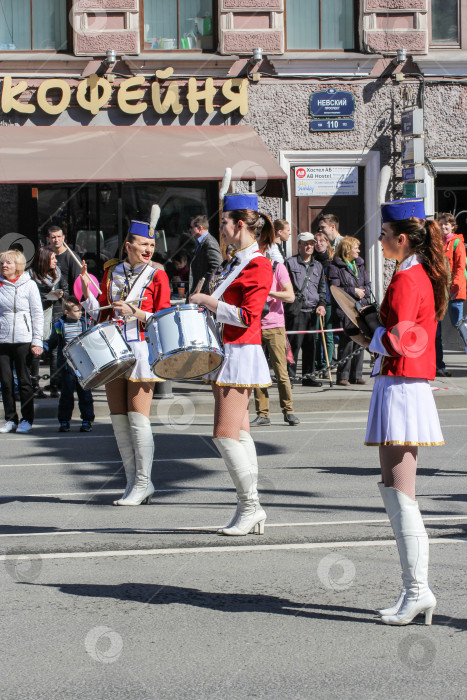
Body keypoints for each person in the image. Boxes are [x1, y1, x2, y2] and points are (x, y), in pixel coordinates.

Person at [363, 198, 448, 625]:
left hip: (399, 386)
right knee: (397, 492)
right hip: (402, 385)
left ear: (401, 238)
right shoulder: (414, 275)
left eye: (383, 234)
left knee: (401, 495)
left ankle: (418, 590)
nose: (378, 240)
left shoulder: (406, 279)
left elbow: (399, 342)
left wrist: (367, 333)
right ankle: (414, 590)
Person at [190, 193, 273, 536]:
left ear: (239, 224)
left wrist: (209, 301)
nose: (219, 228)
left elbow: (249, 316)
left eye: (223, 222)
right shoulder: (235, 261)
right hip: (226, 350)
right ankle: (250, 507)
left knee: (223, 435)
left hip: (240, 352)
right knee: (239, 432)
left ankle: (251, 505)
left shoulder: (258, 264)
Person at [80, 219, 171, 506]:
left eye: (152, 245)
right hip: (113, 350)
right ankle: (133, 482)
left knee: (138, 419)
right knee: (118, 421)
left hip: (142, 349)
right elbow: (100, 313)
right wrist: (86, 288)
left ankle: (144, 482)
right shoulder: (111, 271)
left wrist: (137, 312)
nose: (149, 249)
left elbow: (163, 317)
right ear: (128, 245)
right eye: (144, 244)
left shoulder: (158, 276)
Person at [250, 257, 299, 427]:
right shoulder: (251, 266)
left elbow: (290, 296)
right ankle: (263, 414)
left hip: (275, 326)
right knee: (258, 371)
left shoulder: (277, 267)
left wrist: (269, 292)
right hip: (254, 325)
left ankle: (289, 411)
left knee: (281, 371)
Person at [0, 249, 43, 434]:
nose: (3, 266)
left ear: (17, 265)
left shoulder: (30, 285)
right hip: (2, 338)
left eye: (7, 262)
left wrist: (37, 340)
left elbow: (37, 313)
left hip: (24, 339)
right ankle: (10, 419)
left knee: (25, 381)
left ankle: (27, 419)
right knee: (6, 381)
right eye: (2, 263)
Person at [46, 296, 95, 433]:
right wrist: (42, 348)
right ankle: (64, 421)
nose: (80, 313)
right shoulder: (59, 325)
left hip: (84, 366)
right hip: (67, 366)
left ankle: (87, 420)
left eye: (80, 310)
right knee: (66, 395)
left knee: (85, 394)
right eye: (76, 311)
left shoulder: (85, 323)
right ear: (67, 312)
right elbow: (53, 341)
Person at [328, 237, 372, 386]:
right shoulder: (335, 267)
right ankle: (343, 376)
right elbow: (335, 289)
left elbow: (367, 284)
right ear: (347, 249)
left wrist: (364, 292)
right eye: (356, 248)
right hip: (345, 309)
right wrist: (353, 291)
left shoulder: (359, 264)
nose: (358, 251)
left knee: (360, 341)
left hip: (361, 308)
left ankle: (356, 375)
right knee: (347, 342)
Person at [285, 232, 326, 386]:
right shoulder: (290, 263)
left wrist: (322, 304)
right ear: (299, 245)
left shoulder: (318, 265)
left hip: (313, 310)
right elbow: (284, 285)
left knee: (311, 346)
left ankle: (309, 377)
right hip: (296, 311)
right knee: (293, 345)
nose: (309, 246)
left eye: (311, 243)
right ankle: (290, 377)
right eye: (306, 243)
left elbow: (322, 288)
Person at [46, 226, 83, 397]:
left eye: (59, 236)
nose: (56, 240)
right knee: (54, 345)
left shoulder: (71, 256)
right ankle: (55, 383)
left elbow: (77, 284)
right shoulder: (46, 255)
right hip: (50, 305)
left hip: (66, 307)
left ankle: (70, 381)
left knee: (70, 343)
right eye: (53, 237)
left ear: (64, 237)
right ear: (48, 238)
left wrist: (74, 307)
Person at [28, 246, 64, 398]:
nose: (56, 261)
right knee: (36, 349)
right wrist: (46, 297)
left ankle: (54, 385)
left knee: (54, 349)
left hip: (53, 312)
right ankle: (34, 385)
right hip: (36, 315)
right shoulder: (30, 277)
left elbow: (65, 288)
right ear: (44, 260)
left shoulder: (57, 273)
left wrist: (61, 295)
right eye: (53, 258)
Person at [436, 212, 466, 377]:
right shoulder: (436, 243)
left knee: (458, 324)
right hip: (440, 292)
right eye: (440, 224)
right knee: (436, 330)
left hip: (454, 292)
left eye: (446, 224)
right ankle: (438, 365)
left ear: (452, 226)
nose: (443, 227)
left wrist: (454, 288)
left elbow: (461, 268)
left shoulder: (457, 244)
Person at [313, 232, 334, 377]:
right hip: (314, 301)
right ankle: (316, 364)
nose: (319, 243)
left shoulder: (333, 261)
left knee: (328, 335)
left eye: (322, 240)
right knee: (315, 336)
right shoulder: (312, 260)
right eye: (316, 241)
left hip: (329, 301)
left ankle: (327, 365)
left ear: (327, 242)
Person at [186, 214, 223, 299]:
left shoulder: (209, 242)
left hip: (203, 293)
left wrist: (202, 283)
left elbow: (218, 265)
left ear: (199, 228)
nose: (190, 230)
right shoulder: (201, 242)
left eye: (191, 227)